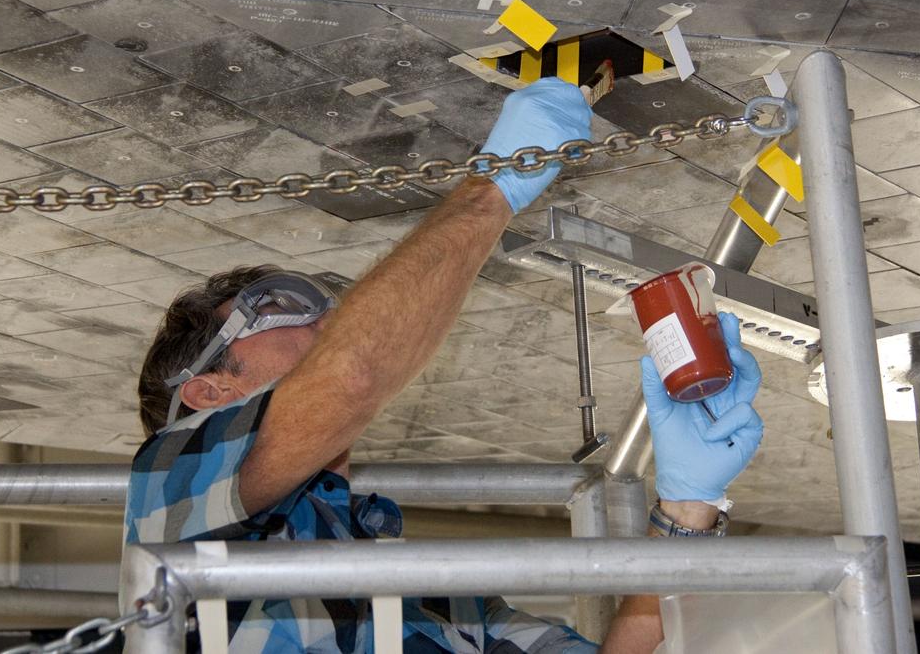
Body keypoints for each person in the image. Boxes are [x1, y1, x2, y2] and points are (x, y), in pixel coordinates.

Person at [126, 77, 765, 652]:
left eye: (331, 308)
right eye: (281, 307)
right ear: (210, 392)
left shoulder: (422, 594)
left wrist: (686, 509)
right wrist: (494, 189)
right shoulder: (169, 487)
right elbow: (349, 377)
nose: (329, 317)